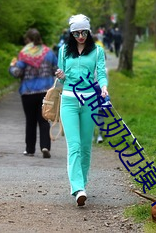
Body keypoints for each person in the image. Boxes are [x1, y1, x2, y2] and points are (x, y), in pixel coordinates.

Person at [55, 14, 108, 206]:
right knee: (74, 146)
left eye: (84, 32)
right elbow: (61, 79)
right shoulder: (64, 51)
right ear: (71, 33)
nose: (80, 36)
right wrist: (60, 75)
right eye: (76, 33)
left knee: (86, 147)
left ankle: (82, 185)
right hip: (68, 101)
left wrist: (103, 86)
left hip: (90, 102)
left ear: (89, 31)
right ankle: (77, 188)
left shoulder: (97, 51)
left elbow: (101, 73)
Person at [9, 28, 58, 158]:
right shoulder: (49, 53)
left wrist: (12, 66)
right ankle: (45, 146)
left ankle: (30, 149)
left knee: (30, 121)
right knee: (44, 120)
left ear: (28, 40)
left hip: (28, 92)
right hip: (45, 92)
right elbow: (56, 70)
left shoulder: (24, 54)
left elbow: (17, 73)